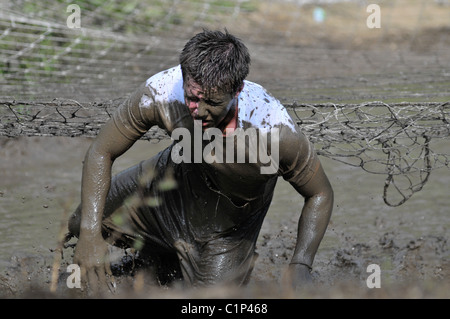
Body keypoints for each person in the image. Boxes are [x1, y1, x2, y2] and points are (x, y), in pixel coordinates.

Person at [66, 29, 334, 292]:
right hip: (172, 181)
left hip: (228, 222)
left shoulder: (273, 131)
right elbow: (101, 151)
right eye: (192, 98)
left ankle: (162, 267)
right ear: (183, 77)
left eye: (212, 102)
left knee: (208, 302)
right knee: (84, 221)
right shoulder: (161, 93)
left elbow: (320, 193)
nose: (199, 111)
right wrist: (89, 234)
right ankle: (157, 260)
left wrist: (301, 264)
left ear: (237, 89)